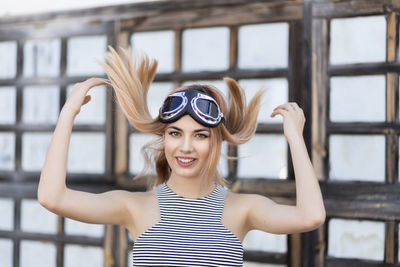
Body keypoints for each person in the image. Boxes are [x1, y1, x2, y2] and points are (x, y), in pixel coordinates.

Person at [38, 47, 325, 266]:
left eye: (200, 135)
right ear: (164, 138)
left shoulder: (242, 210)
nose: (185, 147)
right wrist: (67, 115)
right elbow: (53, 197)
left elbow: (311, 216)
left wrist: (295, 139)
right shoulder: (134, 207)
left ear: (218, 140)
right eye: (175, 133)